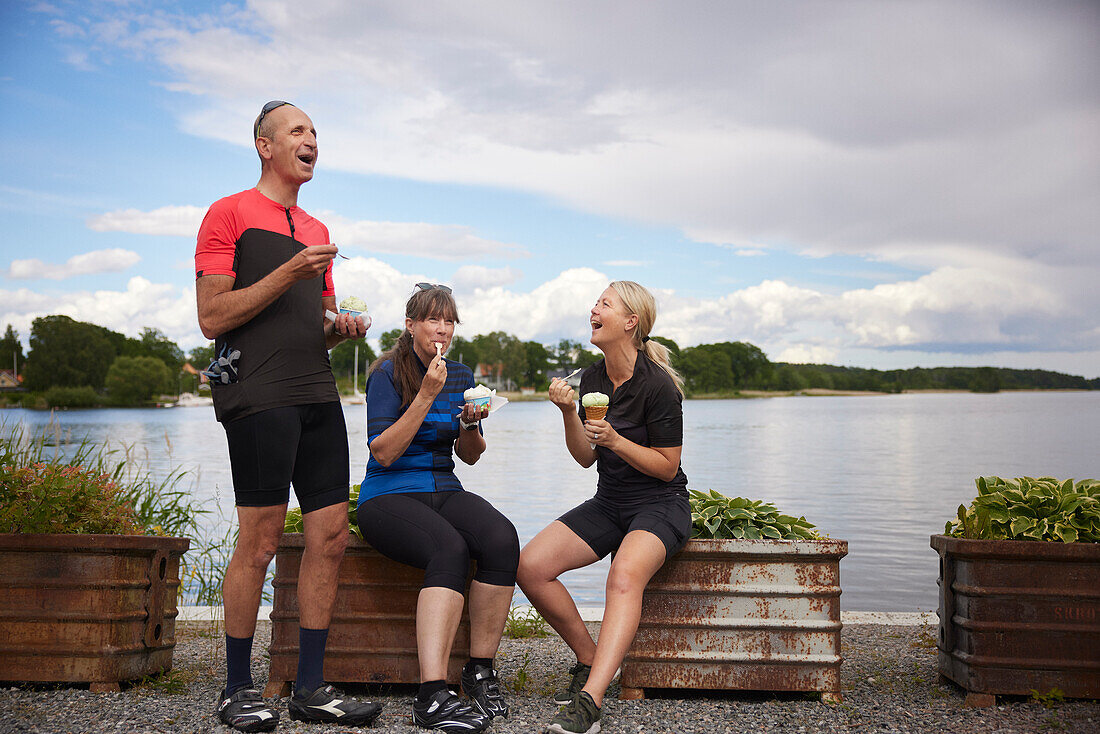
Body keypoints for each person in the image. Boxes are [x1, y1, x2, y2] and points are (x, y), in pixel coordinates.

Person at [195, 100, 380, 732]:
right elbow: (214, 318)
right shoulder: (228, 214)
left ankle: (309, 688)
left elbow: (310, 327)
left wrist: (341, 328)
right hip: (256, 392)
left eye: (316, 132)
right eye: (298, 131)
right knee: (262, 539)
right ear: (264, 146)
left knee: (331, 535)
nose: (312, 141)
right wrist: (290, 270)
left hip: (316, 391)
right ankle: (238, 688)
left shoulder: (315, 225)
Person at [517, 281, 690, 734]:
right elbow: (584, 457)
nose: (593, 309)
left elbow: (668, 468)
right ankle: (591, 659)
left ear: (630, 322)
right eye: (595, 303)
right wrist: (568, 414)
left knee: (623, 576)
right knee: (531, 566)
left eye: (604, 304)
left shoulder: (658, 387)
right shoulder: (592, 380)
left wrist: (617, 440)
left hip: (660, 504)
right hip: (610, 501)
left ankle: (590, 701)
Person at [356, 284, 519, 733]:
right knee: (448, 548)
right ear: (410, 326)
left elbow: (470, 455)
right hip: (388, 493)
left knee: (502, 538)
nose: (442, 328)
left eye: (448, 320)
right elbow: (383, 452)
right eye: (432, 319)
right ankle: (431, 695)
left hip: (443, 485)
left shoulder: (462, 376)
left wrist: (470, 424)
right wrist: (427, 394)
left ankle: (479, 670)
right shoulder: (385, 373)